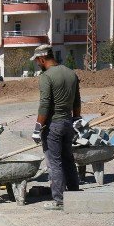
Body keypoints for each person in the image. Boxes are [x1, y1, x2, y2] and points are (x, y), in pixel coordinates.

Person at [30, 45, 81, 210]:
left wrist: (37, 128)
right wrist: (77, 119)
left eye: (37, 61)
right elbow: (77, 101)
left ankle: (59, 200)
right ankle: (74, 194)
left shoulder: (46, 76)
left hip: (54, 125)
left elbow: (44, 104)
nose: (38, 64)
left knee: (55, 163)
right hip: (68, 123)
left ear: (42, 59)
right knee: (69, 160)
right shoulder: (71, 73)